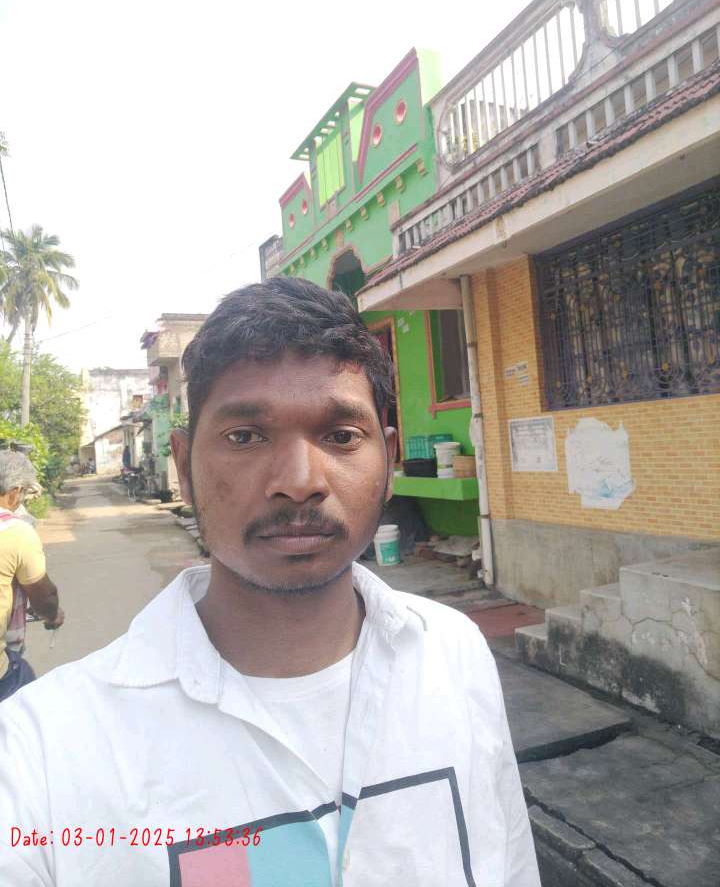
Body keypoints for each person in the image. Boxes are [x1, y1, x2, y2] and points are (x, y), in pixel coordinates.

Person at [0, 279, 540, 886]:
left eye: (341, 436)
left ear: (387, 460)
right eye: (245, 437)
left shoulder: (453, 652)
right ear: (184, 466)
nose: (300, 481)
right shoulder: (43, 752)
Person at [0, 452, 65, 704]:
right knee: (30, 704)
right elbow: (44, 595)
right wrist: (52, 615)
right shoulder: (16, 531)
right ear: (15, 491)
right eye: (24, 493)